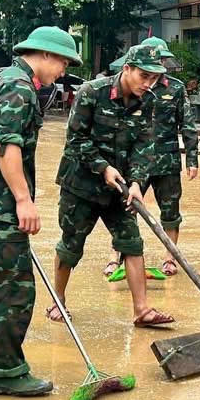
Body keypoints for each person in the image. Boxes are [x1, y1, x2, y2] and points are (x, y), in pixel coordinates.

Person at [0, 25, 81, 396]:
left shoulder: (0, 78)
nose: (63, 70)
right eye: (62, 62)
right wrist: (24, 200)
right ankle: (6, 372)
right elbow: (6, 147)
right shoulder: (20, 87)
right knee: (15, 291)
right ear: (45, 54)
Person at [49, 43, 176, 328]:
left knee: (132, 242)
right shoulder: (92, 93)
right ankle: (58, 301)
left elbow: (145, 144)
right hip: (81, 184)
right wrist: (102, 167)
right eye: (144, 76)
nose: (149, 83)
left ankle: (142, 310)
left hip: (120, 188)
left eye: (154, 77)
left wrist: (137, 183)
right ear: (127, 69)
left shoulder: (148, 100)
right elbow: (76, 140)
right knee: (71, 245)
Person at [105, 37, 198, 280]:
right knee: (125, 209)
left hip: (166, 161)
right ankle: (115, 257)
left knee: (171, 212)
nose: (158, 65)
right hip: (135, 163)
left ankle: (170, 258)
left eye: (162, 60)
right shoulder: (131, 87)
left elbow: (187, 124)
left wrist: (192, 159)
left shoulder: (175, 88)